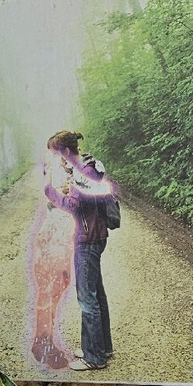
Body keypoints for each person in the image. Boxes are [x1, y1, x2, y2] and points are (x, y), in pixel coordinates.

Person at [43, 130, 114, 371]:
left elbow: (74, 206)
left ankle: (94, 358)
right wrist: (68, 189)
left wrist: (51, 193)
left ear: (65, 152)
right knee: (97, 293)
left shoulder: (84, 171)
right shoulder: (86, 167)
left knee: (87, 298)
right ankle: (102, 347)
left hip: (88, 239)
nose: (57, 160)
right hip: (94, 235)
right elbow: (85, 199)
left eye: (57, 154)